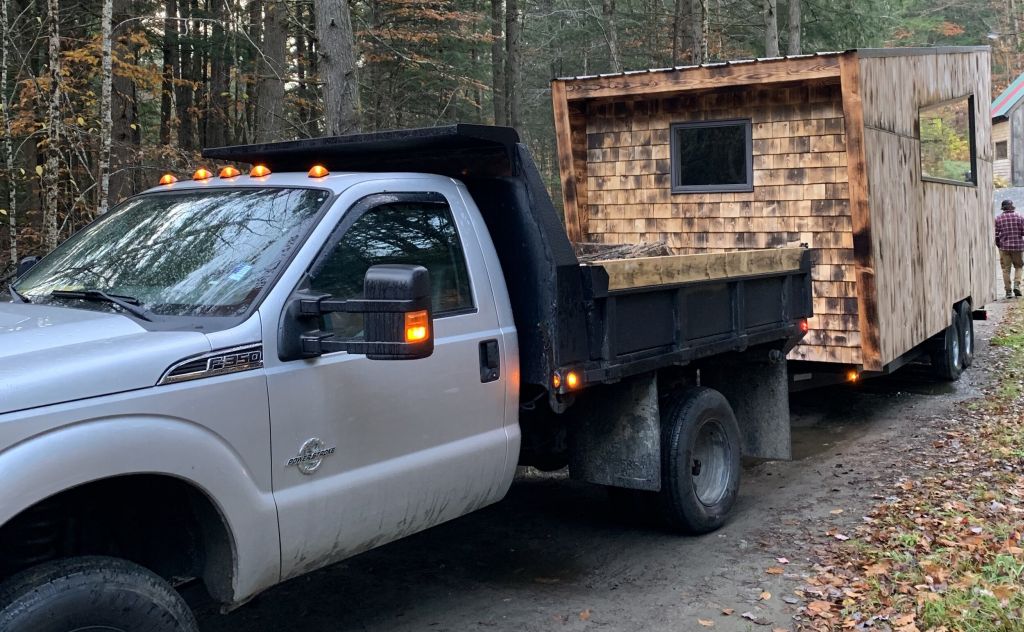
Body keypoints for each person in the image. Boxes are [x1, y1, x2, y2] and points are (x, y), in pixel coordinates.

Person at [996, 199, 1024, 299]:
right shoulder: (1019, 216)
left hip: (1004, 248)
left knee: (1005, 270)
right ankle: (1017, 285)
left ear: (1003, 208)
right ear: (1012, 206)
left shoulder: (998, 218)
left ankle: (1008, 292)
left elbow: (996, 234)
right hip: (1018, 247)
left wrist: (999, 244)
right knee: (1019, 266)